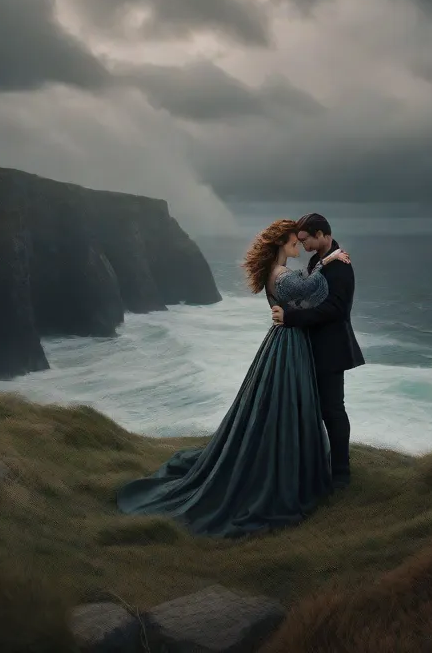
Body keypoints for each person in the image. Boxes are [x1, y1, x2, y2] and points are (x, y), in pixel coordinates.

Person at [116, 219, 350, 538]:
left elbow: (310, 293)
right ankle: (285, 470)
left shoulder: (279, 273)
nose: (298, 248)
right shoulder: (281, 276)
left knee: (281, 406)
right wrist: (329, 260)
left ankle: (296, 463)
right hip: (288, 345)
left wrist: (319, 270)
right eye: (295, 243)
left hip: (287, 342)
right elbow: (314, 289)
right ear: (282, 243)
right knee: (284, 406)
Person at [271, 213, 365, 488]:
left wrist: (291, 318)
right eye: (299, 241)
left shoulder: (342, 265)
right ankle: (318, 462)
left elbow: (336, 310)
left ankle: (341, 473)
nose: (304, 246)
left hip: (331, 348)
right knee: (316, 407)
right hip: (311, 345)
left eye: (306, 240)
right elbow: (307, 296)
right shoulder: (318, 262)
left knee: (333, 410)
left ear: (322, 234)